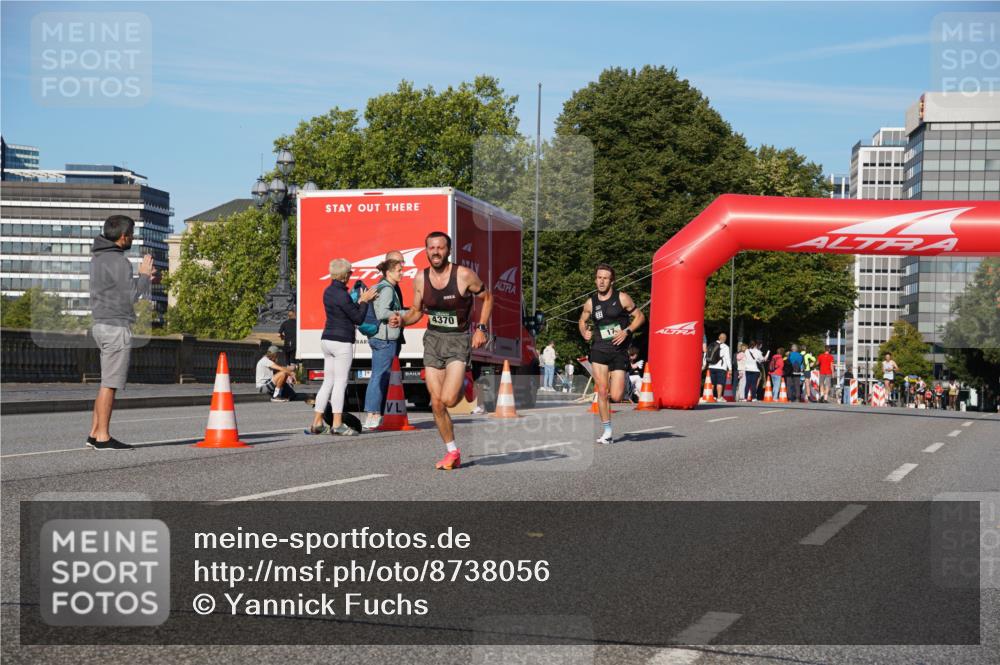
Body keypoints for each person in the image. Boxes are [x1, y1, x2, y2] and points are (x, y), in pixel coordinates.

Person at [401, 232, 493, 470]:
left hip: (457, 340)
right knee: (436, 402)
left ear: (448, 251)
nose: (436, 252)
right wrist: (400, 321)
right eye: (431, 248)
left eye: (440, 247)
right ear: (426, 251)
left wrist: (481, 328)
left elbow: (487, 297)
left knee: (450, 399)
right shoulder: (420, 278)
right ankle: (452, 451)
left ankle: (466, 382)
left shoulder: (463, 275)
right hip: (433, 340)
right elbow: (416, 311)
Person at [86, 215, 155, 451]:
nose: (132, 239)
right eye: (132, 235)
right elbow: (132, 296)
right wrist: (143, 275)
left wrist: (144, 279)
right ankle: (103, 437)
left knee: (105, 383)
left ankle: (94, 433)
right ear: (123, 236)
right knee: (110, 384)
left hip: (100, 324)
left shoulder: (98, 258)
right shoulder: (119, 261)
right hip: (116, 327)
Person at [306, 259, 377, 436]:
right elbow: (358, 318)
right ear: (345, 275)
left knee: (327, 382)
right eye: (350, 273)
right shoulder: (342, 295)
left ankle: (317, 423)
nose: (351, 275)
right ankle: (337, 424)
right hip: (341, 341)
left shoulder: (328, 291)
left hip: (327, 339)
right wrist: (364, 301)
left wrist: (359, 302)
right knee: (340, 382)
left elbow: (346, 311)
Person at [579, 263, 645, 444]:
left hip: (619, 351)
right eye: (599, 278)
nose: (601, 281)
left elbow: (640, 317)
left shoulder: (622, 298)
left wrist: (627, 331)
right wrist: (584, 332)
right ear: (595, 280)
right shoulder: (591, 302)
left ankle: (616, 387)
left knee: (616, 396)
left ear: (612, 281)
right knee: (602, 391)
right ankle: (607, 432)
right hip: (599, 349)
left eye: (605, 278)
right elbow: (582, 320)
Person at [362, 258, 406, 431]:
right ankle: (373, 414)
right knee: (379, 376)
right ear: (389, 273)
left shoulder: (380, 286)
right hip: (384, 339)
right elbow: (382, 313)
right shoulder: (387, 288)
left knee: (377, 375)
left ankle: (373, 414)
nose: (401, 273)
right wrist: (405, 313)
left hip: (378, 337)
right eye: (398, 270)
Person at [706, 332, 732, 402]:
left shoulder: (712, 344)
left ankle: (711, 396)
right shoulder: (725, 347)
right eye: (724, 337)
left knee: (712, 383)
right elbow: (727, 358)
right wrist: (730, 368)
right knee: (719, 383)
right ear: (724, 338)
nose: (724, 338)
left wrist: (705, 365)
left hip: (711, 366)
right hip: (721, 367)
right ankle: (719, 397)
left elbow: (706, 355)